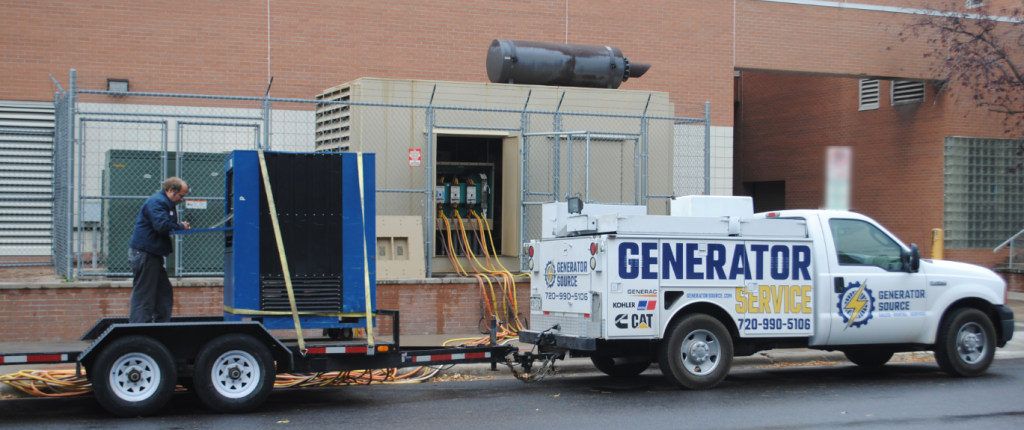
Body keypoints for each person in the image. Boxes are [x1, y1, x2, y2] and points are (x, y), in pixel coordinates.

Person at [128, 177, 191, 323]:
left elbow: (164, 224)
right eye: (181, 195)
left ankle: (161, 326)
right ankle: (138, 332)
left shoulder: (164, 202)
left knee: (163, 292)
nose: (182, 199)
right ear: (170, 190)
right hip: (145, 253)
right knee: (144, 295)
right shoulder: (158, 201)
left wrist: (178, 226)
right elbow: (162, 226)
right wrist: (181, 226)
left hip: (152, 254)